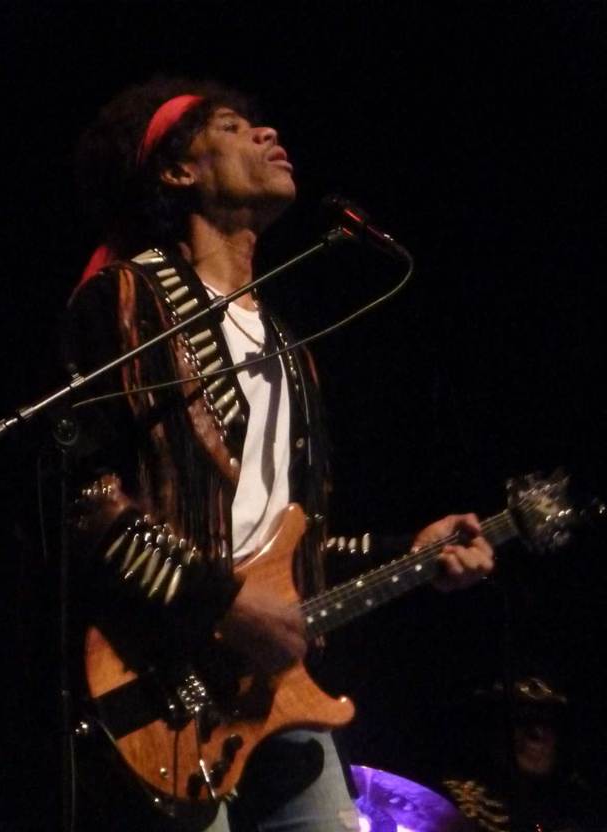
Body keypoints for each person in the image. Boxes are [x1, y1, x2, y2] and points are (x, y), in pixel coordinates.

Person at [64, 76, 494, 832]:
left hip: (275, 691)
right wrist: (222, 603)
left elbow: (294, 549)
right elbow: (84, 501)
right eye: (232, 128)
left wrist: (411, 551)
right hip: (162, 686)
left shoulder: (292, 352)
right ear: (178, 171)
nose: (267, 134)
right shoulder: (128, 299)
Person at [442, 677, 605, 832]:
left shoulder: (583, 808)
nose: (537, 733)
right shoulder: (453, 805)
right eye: (523, 719)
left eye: (548, 721)